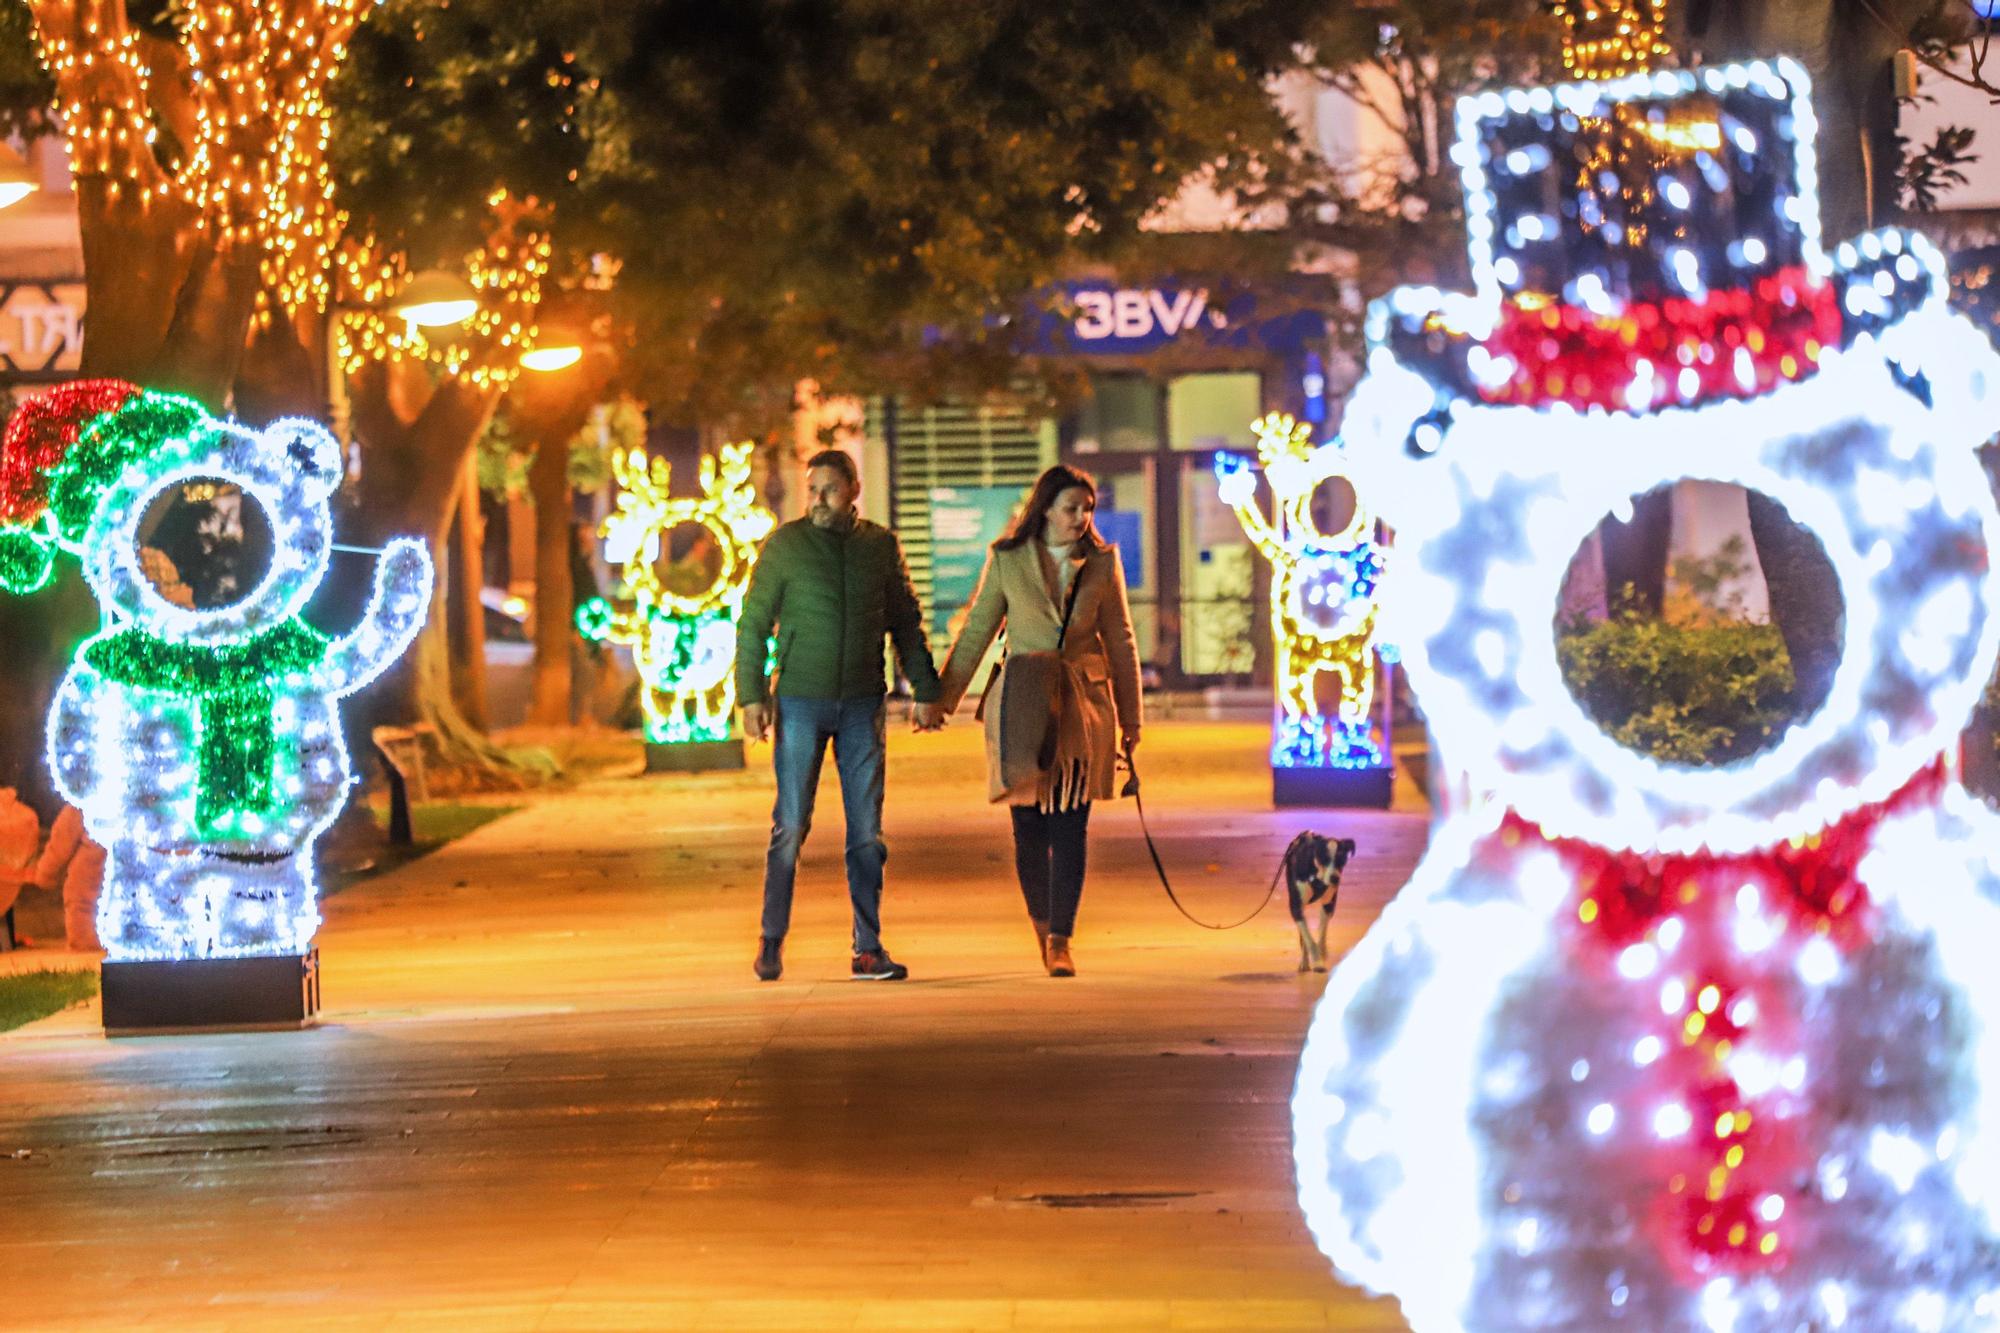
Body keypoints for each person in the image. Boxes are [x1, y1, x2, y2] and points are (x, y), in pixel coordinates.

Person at [735, 449, 944, 983]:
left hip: (861, 703)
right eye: (812, 489)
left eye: (830, 488)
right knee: (790, 824)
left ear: (854, 489)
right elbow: (753, 622)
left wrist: (926, 688)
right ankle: (772, 937)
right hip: (800, 700)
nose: (819, 499)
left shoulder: (879, 547)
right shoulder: (786, 547)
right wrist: (752, 696)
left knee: (868, 833)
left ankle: (867, 946)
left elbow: (905, 622)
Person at [936, 465, 1141, 977]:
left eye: (1088, 509)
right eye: (1072, 507)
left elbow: (1121, 640)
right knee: (1028, 827)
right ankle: (1041, 924)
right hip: (1023, 701)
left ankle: (1061, 940)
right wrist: (940, 699)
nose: (1081, 517)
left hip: (1081, 705)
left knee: (1071, 824)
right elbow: (978, 629)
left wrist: (1131, 719)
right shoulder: (1007, 561)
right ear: (1045, 508)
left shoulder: (1101, 563)